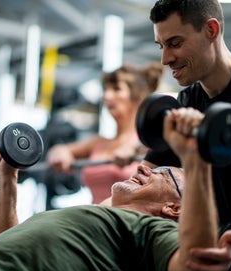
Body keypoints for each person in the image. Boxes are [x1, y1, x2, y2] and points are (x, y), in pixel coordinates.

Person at [0, 109, 231, 271]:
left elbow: (193, 267)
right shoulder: (92, 217)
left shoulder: (148, 232)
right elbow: (2, 243)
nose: (145, 169)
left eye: (161, 174)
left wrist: (195, 160)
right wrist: (8, 176)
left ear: (173, 209)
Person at [144, 0, 231, 271]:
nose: (165, 58)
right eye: (162, 46)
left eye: (175, 43)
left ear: (211, 30)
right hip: (222, 255)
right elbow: (144, 181)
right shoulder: (187, 103)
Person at [47, 63, 164, 204]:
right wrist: (59, 152)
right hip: (95, 220)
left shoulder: (149, 141)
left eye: (116, 89)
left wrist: (135, 149)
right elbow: (60, 149)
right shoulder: (99, 143)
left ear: (138, 96)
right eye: (106, 89)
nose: (106, 96)